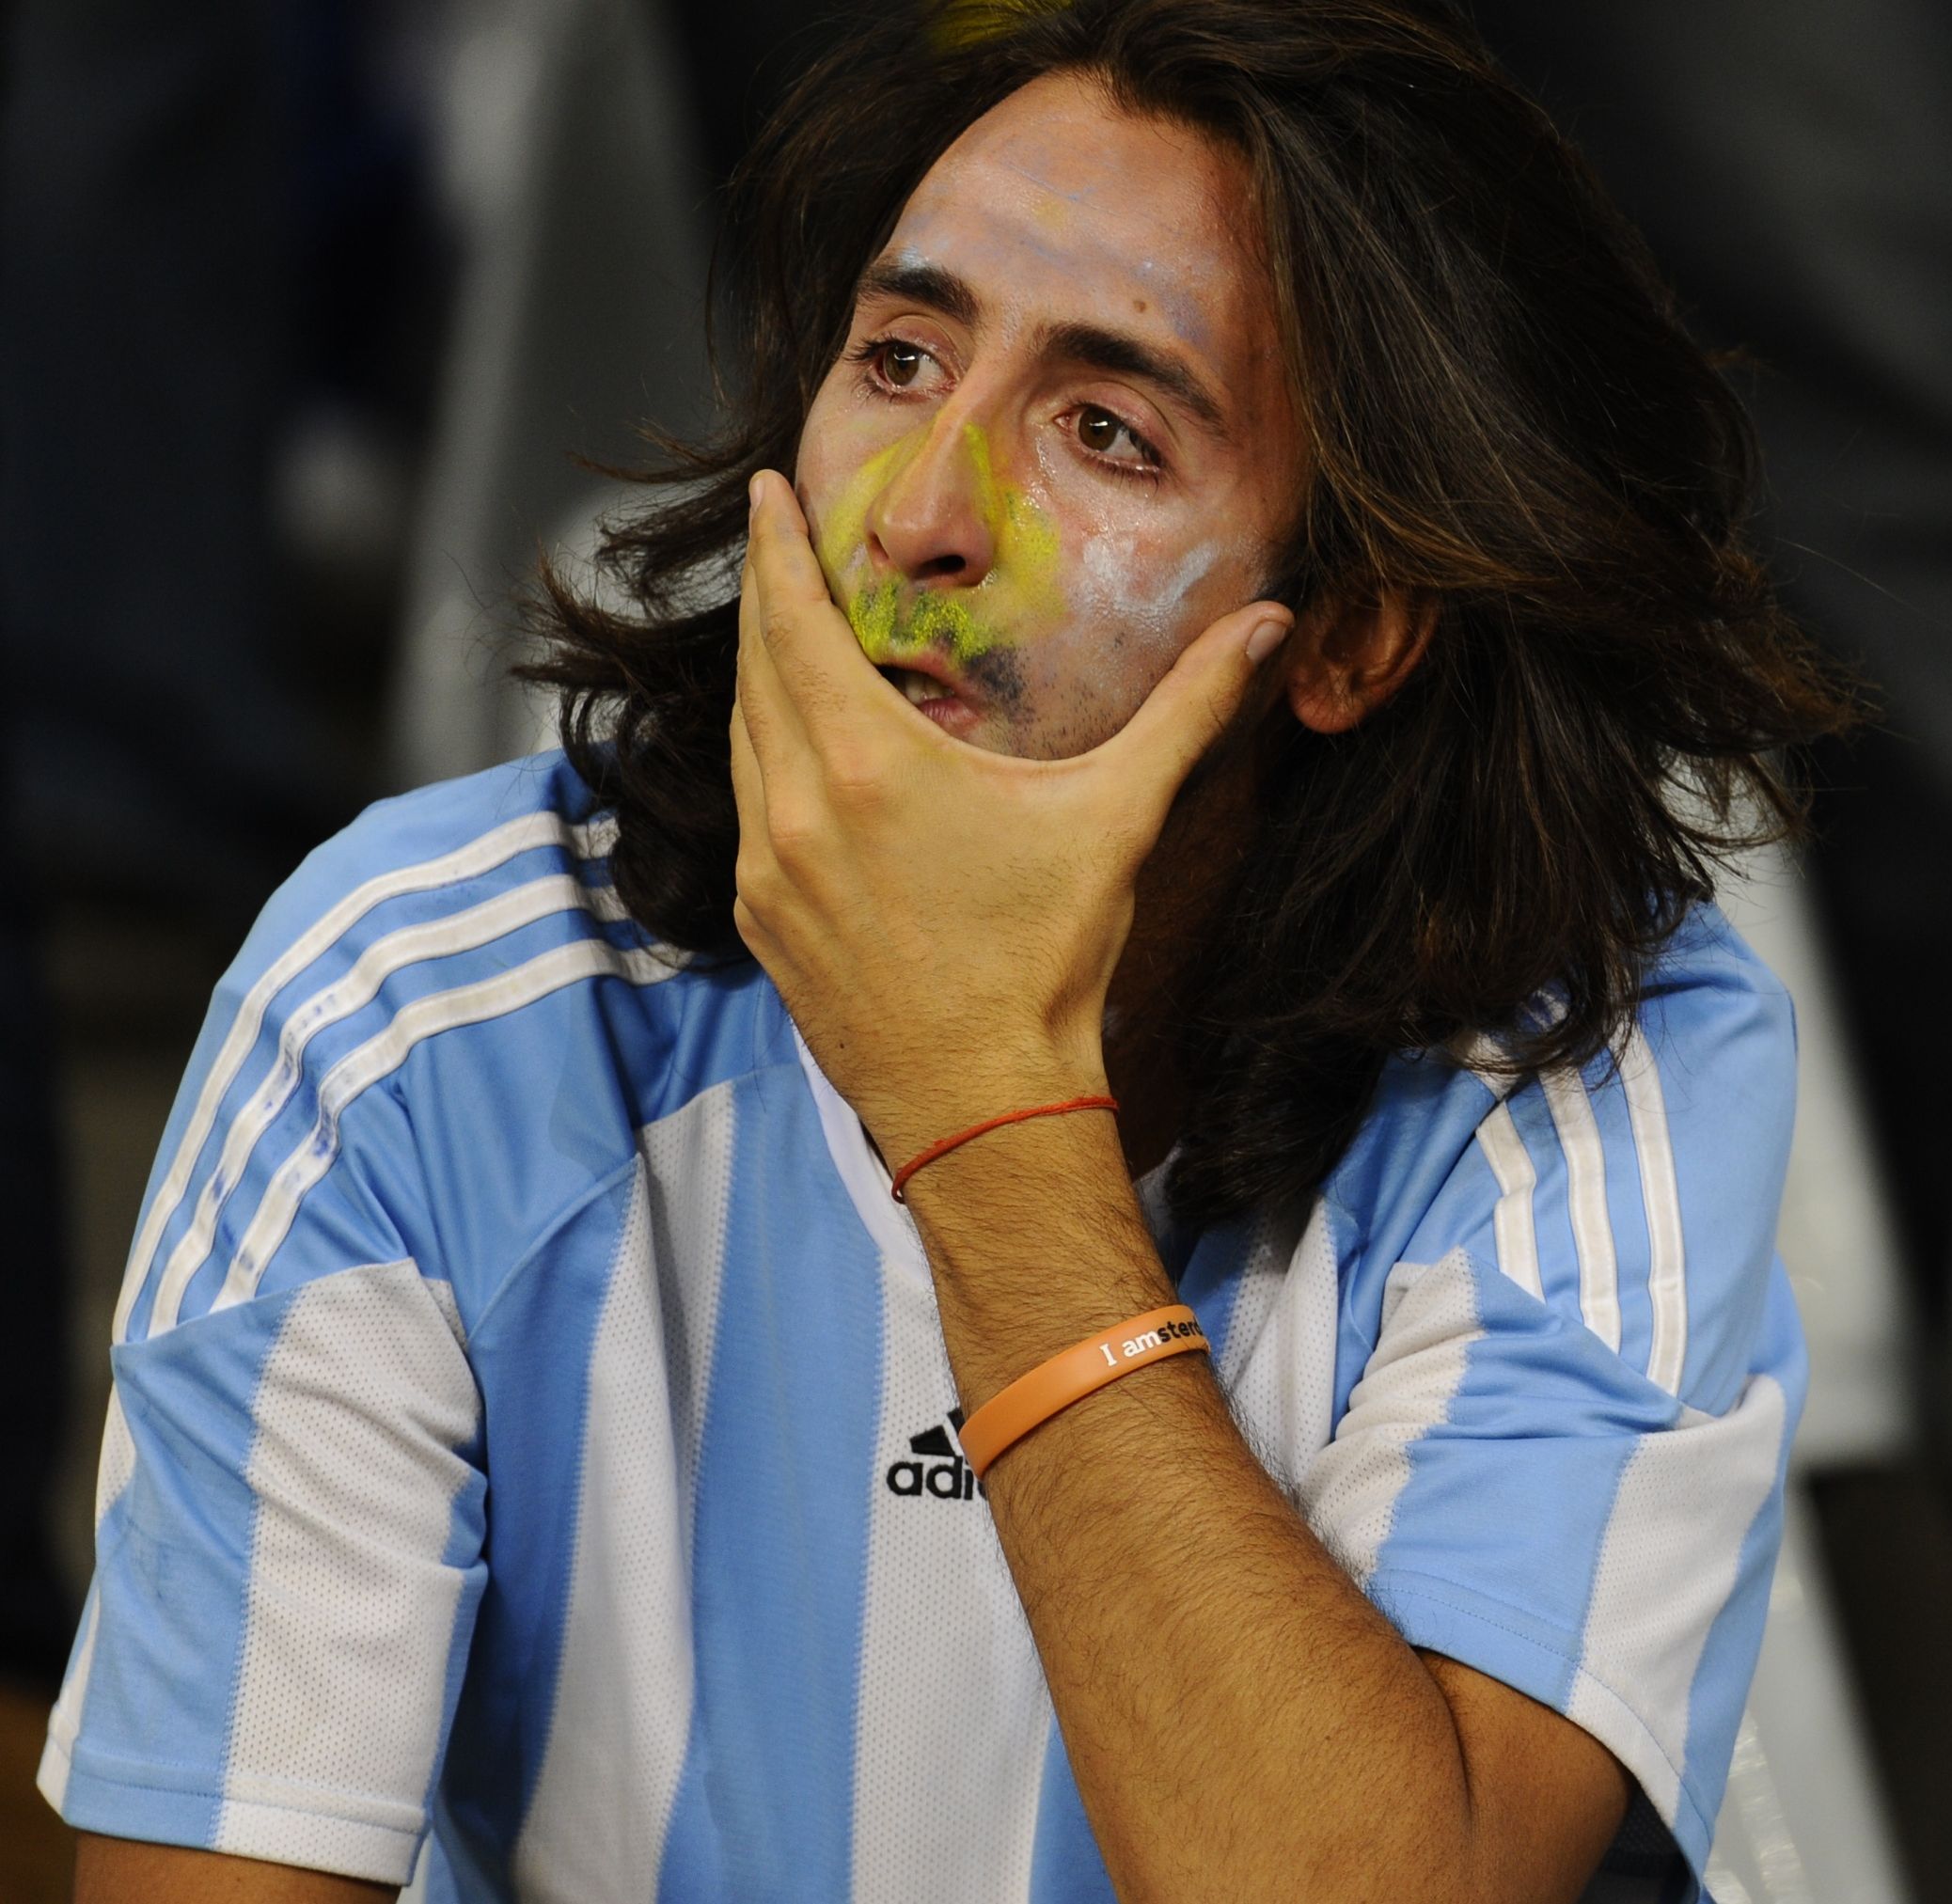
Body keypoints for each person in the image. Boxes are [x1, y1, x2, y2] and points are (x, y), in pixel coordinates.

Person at [47, 2, 1851, 1897]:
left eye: (1108, 431)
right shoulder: (412, 995)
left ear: (1348, 636)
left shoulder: (1586, 1058)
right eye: (899, 358)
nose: (918, 515)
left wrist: (983, 1098)